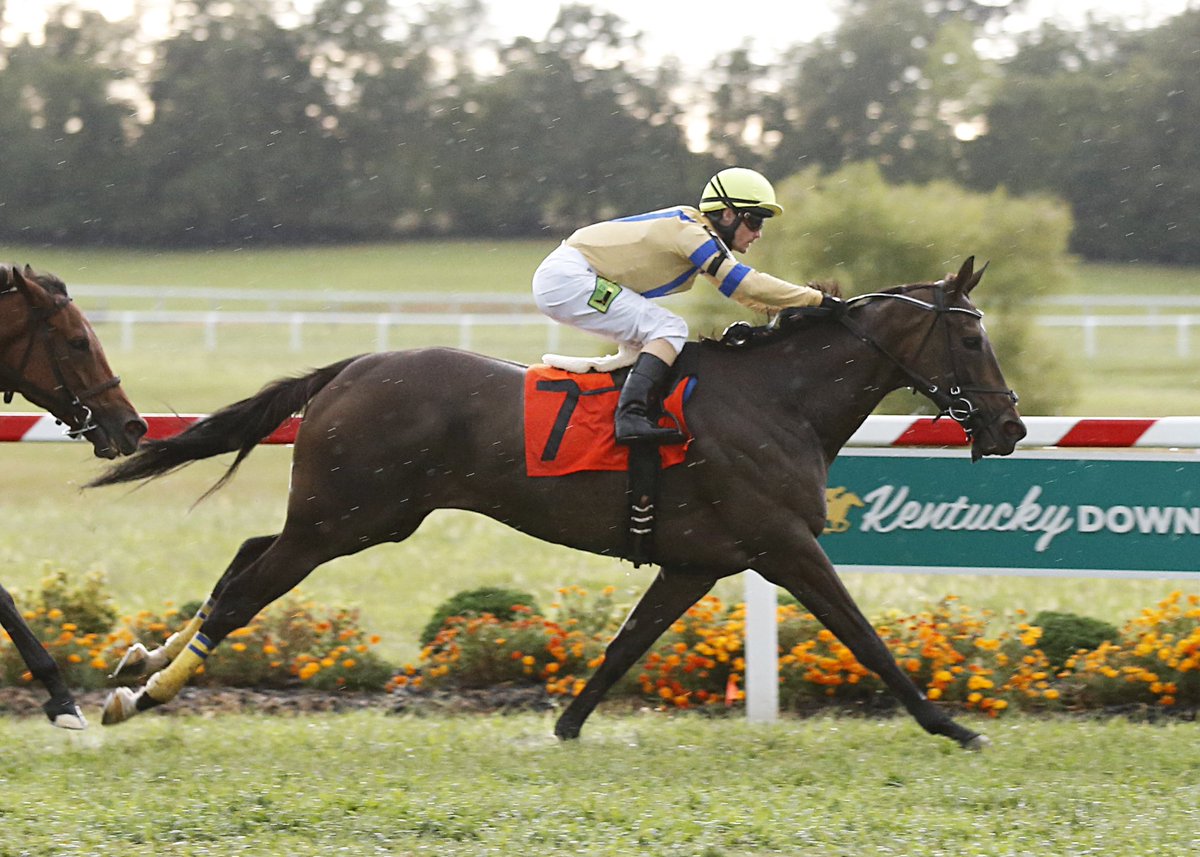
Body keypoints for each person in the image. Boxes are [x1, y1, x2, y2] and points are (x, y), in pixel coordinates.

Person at [532, 166, 843, 445]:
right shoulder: (692, 234)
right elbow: (746, 284)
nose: (758, 233)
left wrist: (803, 311)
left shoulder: (698, 234)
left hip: (571, 276)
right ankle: (630, 416)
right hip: (569, 278)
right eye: (754, 220)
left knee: (654, 336)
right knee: (668, 328)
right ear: (728, 214)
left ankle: (628, 408)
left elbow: (744, 296)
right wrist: (815, 299)